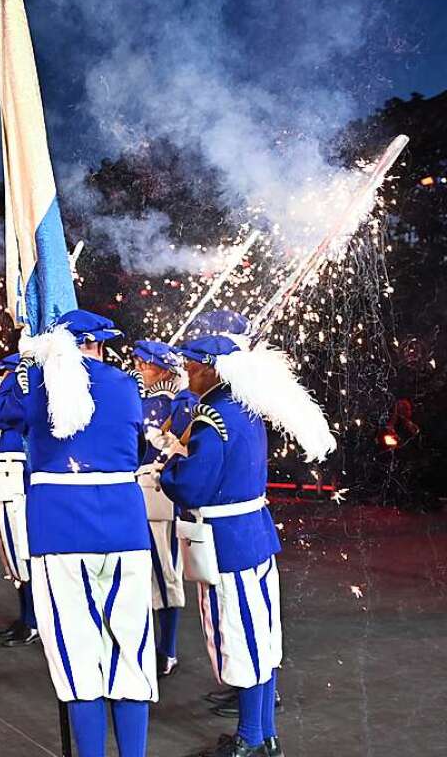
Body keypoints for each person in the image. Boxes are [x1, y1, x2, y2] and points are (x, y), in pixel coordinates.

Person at [0, 309, 157, 757]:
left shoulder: (39, 388)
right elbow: (134, 448)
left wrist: (25, 368)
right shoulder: (127, 385)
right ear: (99, 344)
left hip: (61, 532)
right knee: (130, 653)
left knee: (77, 657)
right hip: (125, 530)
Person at [160, 317, 336, 757]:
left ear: (212, 369)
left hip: (225, 542)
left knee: (239, 640)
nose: (187, 373)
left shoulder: (212, 418)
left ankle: (250, 739)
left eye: (192, 367)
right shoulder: (246, 409)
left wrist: (169, 466)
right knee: (263, 639)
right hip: (252, 534)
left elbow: (191, 486)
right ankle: (264, 732)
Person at [131, 340, 186, 677]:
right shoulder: (147, 400)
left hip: (159, 493)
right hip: (140, 492)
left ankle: (168, 649)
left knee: (166, 573)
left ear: (162, 367)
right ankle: (158, 646)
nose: (139, 368)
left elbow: (173, 450)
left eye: (145, 364)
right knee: (148, 575)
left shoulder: (172, 404)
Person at [0, 353, 38, 647]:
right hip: (6, 482)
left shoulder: (20, 387)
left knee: (22, 552)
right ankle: (25, 617)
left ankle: (34, 620)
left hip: (18, 483)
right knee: (13, 555)